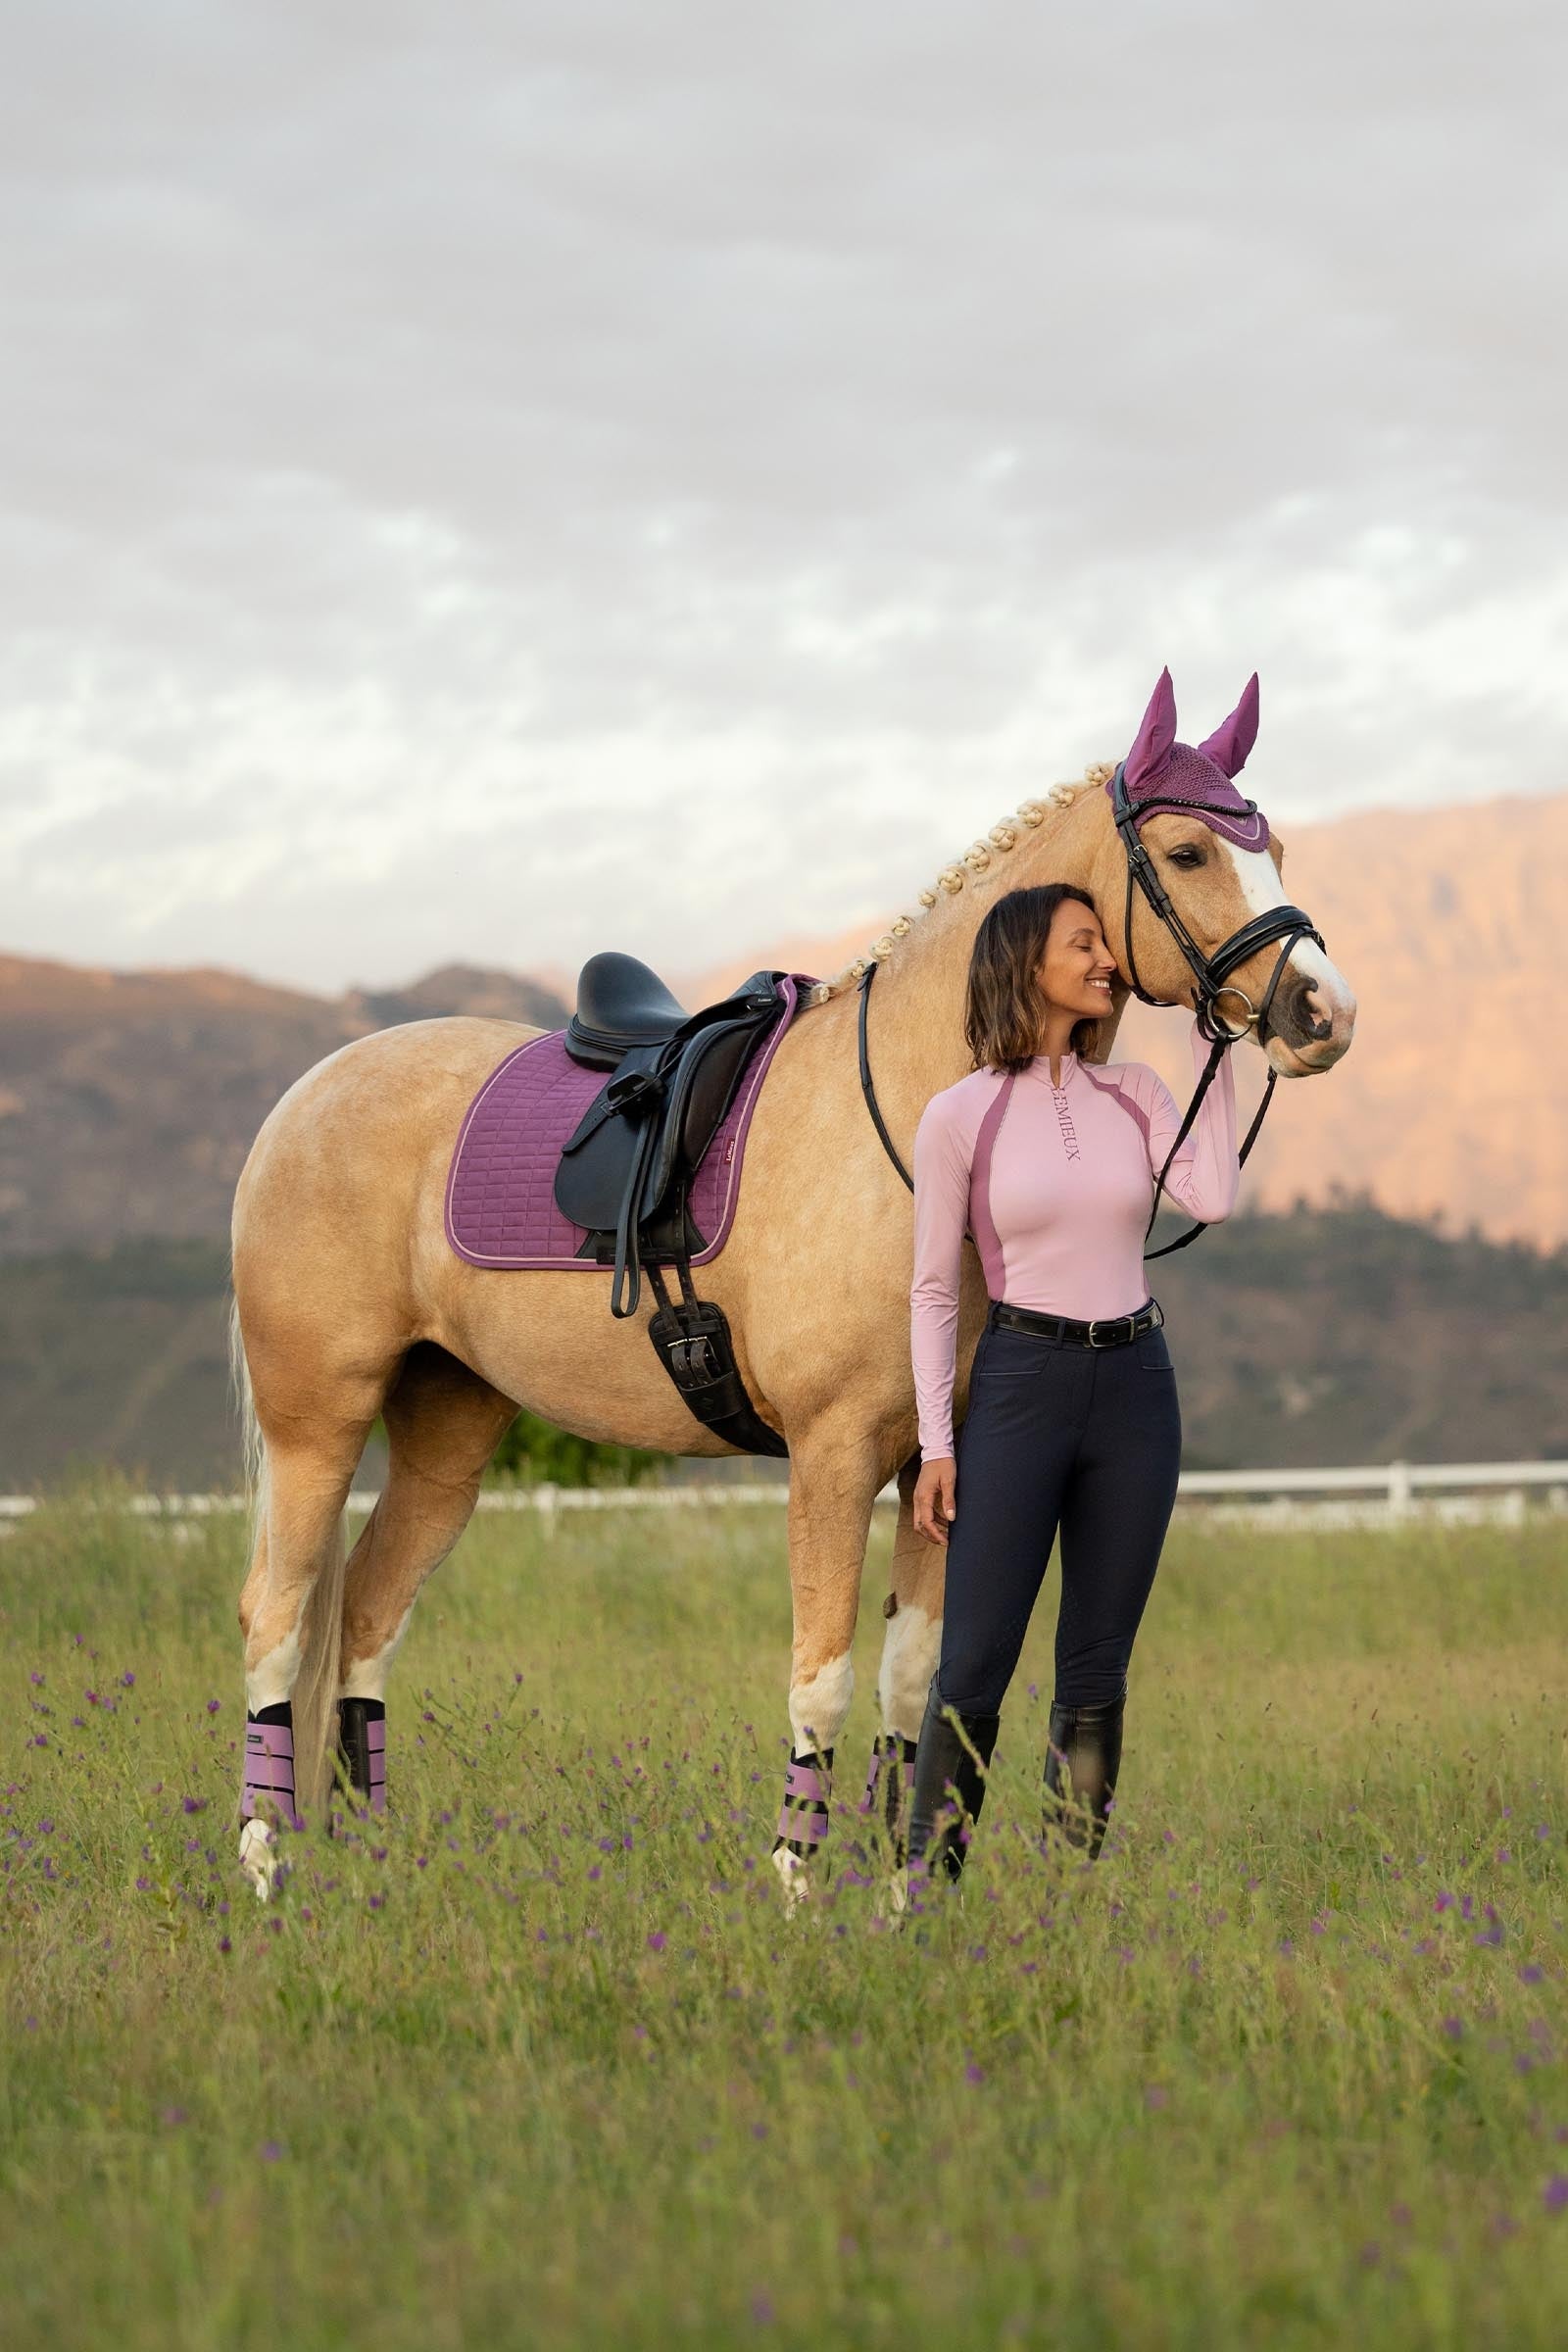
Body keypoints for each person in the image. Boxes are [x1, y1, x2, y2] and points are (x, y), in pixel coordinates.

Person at [905, 879, 1241, 1885]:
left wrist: (1218, 1049)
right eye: (1082, 943)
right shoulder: (958, 1115)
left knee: (1096, 1668)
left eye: (1103, 942)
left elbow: (1211, 1194)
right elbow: (933, 1290)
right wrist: (936, 1444)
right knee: (974, 1663)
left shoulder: (1134, 1091)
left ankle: (1064, 1902)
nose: (1106, 961)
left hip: (1136, 1390)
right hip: (1021, 1386)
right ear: (1026, 964)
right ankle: (923, 1893)